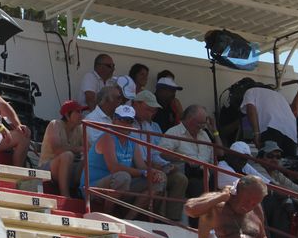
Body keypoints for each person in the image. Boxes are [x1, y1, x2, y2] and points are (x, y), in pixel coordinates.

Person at [81, 104, 166, 219]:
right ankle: (108, 216)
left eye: (130, 121)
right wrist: (144, 173)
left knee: (159, 179)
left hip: (117, 186)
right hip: (92, 187)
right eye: (123, 120)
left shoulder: (132, 141)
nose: (126, 124)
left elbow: (142, 166)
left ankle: (129, 219)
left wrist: (154, 172)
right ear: (114, 120)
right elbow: (114, 168)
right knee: (123, 177)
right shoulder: (107, 137)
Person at [131, 90, 188, 222]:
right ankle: (158, 220)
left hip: (150, 166)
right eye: (148, 109)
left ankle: (173, 220)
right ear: (135, 104)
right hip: (136, 168)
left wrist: (166, 165)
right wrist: (158, 167)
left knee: (180, 178)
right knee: (161, 178)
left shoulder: (148, 126)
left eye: (153, 110)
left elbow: (154, 153)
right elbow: (135, 158)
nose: (151, 113)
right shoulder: (127, 123)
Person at [249, 140, 298, 238]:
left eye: (278, 157)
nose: (274, 160)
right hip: (260, 206)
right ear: (260, 158)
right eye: (270, 156)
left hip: (272, 209)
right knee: (284, 202)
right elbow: (279, 189)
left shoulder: (276, 172)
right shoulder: (257, 167)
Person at [185, 175, 269, 238]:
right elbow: (190, 209)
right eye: (247, 201)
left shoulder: (256, 211)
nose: (249, 206)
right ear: (237, 190)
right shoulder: (216, 204)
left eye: (254, 203)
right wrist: (222, 196)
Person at [159, 105, 215, 207]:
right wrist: (183, 158)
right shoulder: (174, 132)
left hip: (206, 173)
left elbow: (214, 156)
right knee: (197, 187)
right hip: (187, 174)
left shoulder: (203, 134)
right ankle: (197, 221)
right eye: (199, 123)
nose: (202, 127)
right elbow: (162, 152)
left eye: (204, 123)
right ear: (189, 119)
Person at [38, 100, 86, 197]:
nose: (81, 115)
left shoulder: (80, 129)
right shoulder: (55, 124)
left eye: (81, 112)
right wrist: (80, 149)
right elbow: (57, 150)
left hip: (68, 169)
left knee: (89, 158)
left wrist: (84, 151)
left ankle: (82, 194)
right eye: (77, 112)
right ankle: (65, 195)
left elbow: (88, 149)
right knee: (67, 155)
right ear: (67, 115)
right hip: (47, 169)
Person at [241, 85, 298, 158]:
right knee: (288, 163)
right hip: (291, 133)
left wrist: (256, 133)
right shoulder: (279, 95)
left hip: (272, 128)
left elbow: (251, 109)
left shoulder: (251, 91)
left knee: (267, 160)